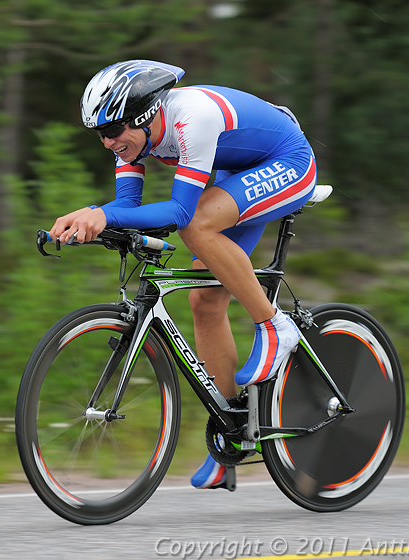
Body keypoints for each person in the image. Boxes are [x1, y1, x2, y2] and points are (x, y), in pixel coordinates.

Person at [49, 60, 315, 489]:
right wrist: (87, 225)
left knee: (195, 225)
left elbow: (178, 212)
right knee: (204, 301)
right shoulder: (133, 143)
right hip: (239, 173)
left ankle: (275, 325)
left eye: (113, 131)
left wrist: (100, 215)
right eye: (100, 134)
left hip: (288, 161)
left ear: (144, 115)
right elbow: (128, 210)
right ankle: (234, 437)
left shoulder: (192, 117)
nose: (107, 142)